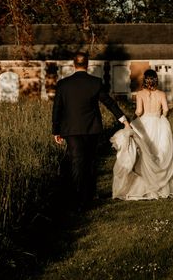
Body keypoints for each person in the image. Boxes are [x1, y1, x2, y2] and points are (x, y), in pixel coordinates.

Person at [52, 52, 130, 210]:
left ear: (74, 64)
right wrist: (123, 119)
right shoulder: (95, 82)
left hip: (71, 130)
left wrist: (56, 130)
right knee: (91, 161)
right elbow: (109, 103)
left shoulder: (63, 84)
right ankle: (90, 195)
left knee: (77, 161)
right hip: (92, 128)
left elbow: (57, 109)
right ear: (86, 65)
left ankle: (78, 198)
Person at [111, 69, 173, 200]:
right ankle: (162, 186)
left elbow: (139, 111)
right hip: (159, 123)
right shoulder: (161, 94)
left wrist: (135, 118)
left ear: (144, 80)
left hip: (144, 124)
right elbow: (166, 110)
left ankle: (144, 185)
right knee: (160, 153)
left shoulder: (140, 94)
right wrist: (162, 117)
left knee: (144, 154)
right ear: (156, 80)